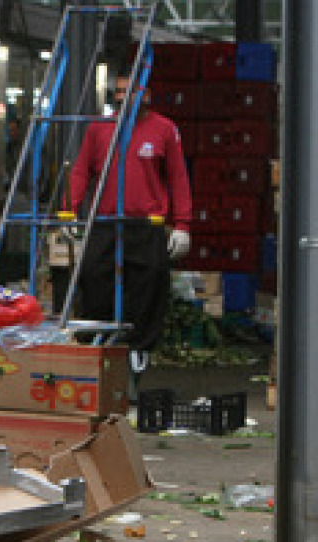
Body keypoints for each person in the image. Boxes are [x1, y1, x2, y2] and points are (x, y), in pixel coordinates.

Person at [69, 74, 192, 377]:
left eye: (131, 91)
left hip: (145, 223)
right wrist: (69, 211)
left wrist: (182, 225)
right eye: (119, 91)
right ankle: (97, 341)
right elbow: (81, 171)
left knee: (150, 279)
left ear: (146, 94)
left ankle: (138, 346)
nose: (123, 97)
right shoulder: (99, 128)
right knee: (92, 275)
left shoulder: (165, 130)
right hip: (105, 220)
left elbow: (178, 178)